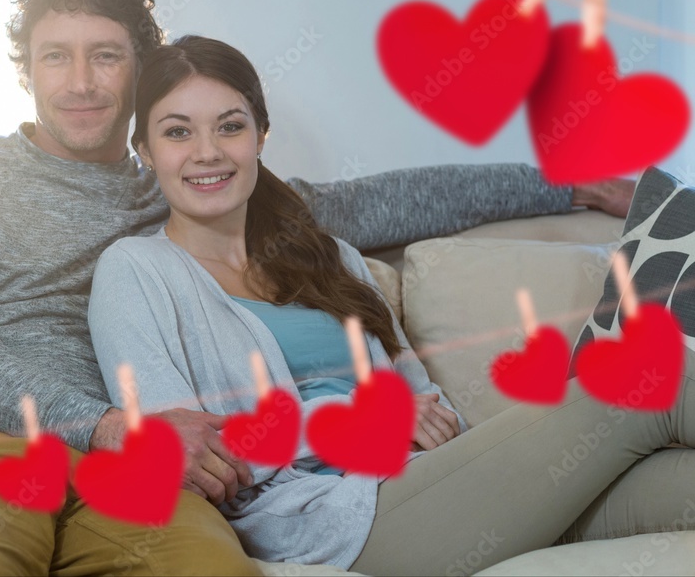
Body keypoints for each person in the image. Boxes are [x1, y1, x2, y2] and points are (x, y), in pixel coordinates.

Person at [0, 0, 638, 575]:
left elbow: (381, 202)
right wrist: (106, 424)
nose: (79, 82)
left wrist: (563, 181)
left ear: (139, 73)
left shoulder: (189, 181)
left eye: (105, 56)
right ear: (27, 69)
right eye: (56, 57)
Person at [86, 34, 695, 575]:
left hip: (431, 482)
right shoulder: (134, 271)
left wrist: (426, 420)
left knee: (679, 488)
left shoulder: (333, 257)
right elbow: (196, 454)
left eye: (229, 125)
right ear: (144, 148)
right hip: (334, 522)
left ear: (260, 136)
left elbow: (428, 405)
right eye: (176, 131)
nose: (207, 151)